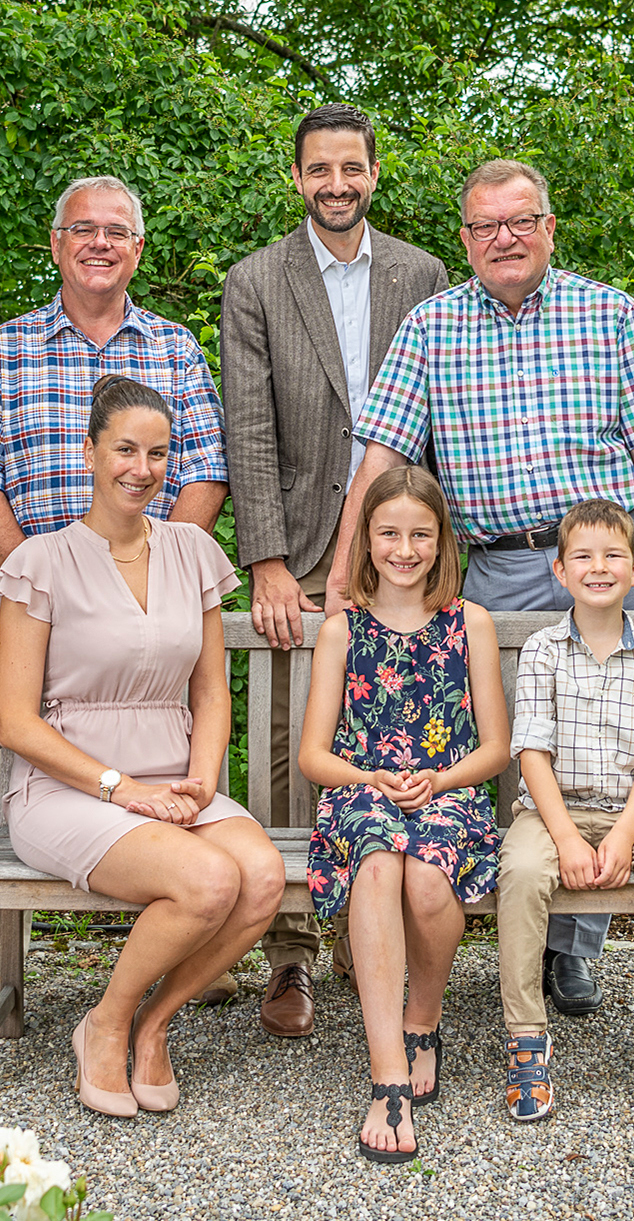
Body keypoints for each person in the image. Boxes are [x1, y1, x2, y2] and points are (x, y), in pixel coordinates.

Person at [325, 157, 634, 1018]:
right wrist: (344, 573)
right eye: (484, 226)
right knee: (508, 746)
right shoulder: (430, 327)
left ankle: (573, 951)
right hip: (492, 566)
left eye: (518, 222)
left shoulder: (610, 315)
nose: (503, 238)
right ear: (463, 240)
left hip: (604, 564)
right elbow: (380, 459)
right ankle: (517, 931)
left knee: (599, 748)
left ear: (547, 227)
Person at [0, 174, 230, 1014]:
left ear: (138, 249)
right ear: (56, 244)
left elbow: (204, 473)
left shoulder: (174, 349)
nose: (100, 244)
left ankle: (192, 938)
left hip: (148, 611)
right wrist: (47, 584)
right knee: (16, 777)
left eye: (117, 232)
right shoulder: (6, 348)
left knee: (163, 758)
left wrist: (163, 569)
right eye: (82, 230)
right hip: (41, 612)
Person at [0, 374, 284, 1118]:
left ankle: (153, 1024)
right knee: (209, 882)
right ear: (89, 452)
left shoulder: (192, 550)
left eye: (157, 453)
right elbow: (17, 724)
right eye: (124, 449)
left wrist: (198, 781)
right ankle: (104, 1024)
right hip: (68, 789)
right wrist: (124, 789)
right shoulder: (38, 564)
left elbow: (211, 693)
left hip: (174, 775)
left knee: (261, 878)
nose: (140, 469)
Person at [221, 103, 449, 1037]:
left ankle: (382, 941)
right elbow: (248, 425)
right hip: (304, 548)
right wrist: (269, 561)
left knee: (400, 734)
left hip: (405, 544)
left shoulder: (423, 273)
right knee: (285, 745)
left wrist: (427, 553)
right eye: (319, 170)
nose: (337, 185)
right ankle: (290, 959)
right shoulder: (255, 280)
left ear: (375, 171)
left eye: (350, 168)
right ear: (297, 178)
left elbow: (441, 416)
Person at [297, 467, 508, 1163]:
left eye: (420, 534)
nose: (404, 549)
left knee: (425, 878)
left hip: (447, 786)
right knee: (380, 857)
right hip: (361, 788)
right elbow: (313, 757)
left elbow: (497, 748)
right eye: (389, 533)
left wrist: (438, 778)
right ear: (366, 541)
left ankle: (424, 1018)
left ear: (441, 541)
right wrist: (369, 777)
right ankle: (387, 1075)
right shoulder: (341, 630)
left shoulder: (468, 624)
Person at [498, 499, 634, 1125]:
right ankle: (527, 1039)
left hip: (632, 814)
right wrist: (563, 836)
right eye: (582, 557)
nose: (598, 567)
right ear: (558, 571)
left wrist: (622, 835)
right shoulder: (541, 651)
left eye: (613, 555)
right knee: (522, 874)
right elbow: (529, 749)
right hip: (548, 815)